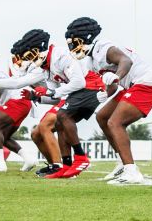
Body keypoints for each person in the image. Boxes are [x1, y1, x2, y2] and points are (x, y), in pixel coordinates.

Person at [65, 17, 152, 185]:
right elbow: (111, 84)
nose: (74, 48)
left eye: (75, 42)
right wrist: (103, 94)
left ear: (87, 37)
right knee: (102, 117)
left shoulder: (103, 47)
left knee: (115, 122)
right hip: (131, 85)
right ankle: (121, 162)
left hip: (147, 82)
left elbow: (126, 61)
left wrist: (117, 76)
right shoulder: (91, 61)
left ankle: (132, 171)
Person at [15, 28, 107, 179]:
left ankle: (80, 157)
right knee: (58, 123)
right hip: (77, 90)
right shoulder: (45, 66)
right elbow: (56, 94)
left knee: (61, 116)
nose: (29, 61)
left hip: (90, 85)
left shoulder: (59, 56)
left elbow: (77, 82)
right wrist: (36, 96)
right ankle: (66, 166)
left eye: (30, 56)